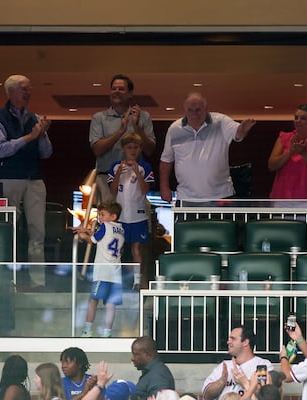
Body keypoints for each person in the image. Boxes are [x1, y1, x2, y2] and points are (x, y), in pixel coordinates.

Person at [0, 74, 53, 289]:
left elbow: (47, 153)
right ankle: (8, 281)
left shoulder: (34, 118)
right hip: (9, 178)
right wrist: (29, 138)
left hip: (34, 178)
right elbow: (0, 149)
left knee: (37, 231)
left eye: (29, 89)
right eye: (24, 89)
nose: (28, 92)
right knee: (9, 231)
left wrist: (42, 134)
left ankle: (37, 281)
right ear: (11, 92)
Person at [159, 92, 256, 202]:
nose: (194, 114)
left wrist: (242, 130)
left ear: (206, 109)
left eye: (198, 110)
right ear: (185, 110)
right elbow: (166, 160)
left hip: (220, 196)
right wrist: (164, 187)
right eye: (190, 110)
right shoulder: (174, 129)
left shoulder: (220, 122)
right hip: (186, 198)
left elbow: (237, 133)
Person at [89, 74, 156, 203]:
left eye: (121, 89)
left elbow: (150, 150)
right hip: (106, 178)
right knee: (109, 220)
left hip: (135, 177)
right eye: (114, 89)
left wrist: (137, 127)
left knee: (134, 219)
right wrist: (120, 131)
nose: (116, 92)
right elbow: (97, 149)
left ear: (130, 93)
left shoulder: (143, 116)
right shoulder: (99, 118)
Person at [108, 133, 155, 289]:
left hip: (138, 215)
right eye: (129, 148)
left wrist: (136, 172)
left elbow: (145, 190)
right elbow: (112, 191)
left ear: (140, 148)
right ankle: (117, 280)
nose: (133, 151)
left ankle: (137, 280)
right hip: (120, 216)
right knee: (118, 249)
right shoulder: (115, 166)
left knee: (137, 248)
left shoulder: (144, 167)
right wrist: (118, 175)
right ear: (123, 149)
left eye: (136, 147)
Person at [73, 201, 125, 338]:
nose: (100, 218)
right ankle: (107, 331)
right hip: (116, 272)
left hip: (102, 271)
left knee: (93, 300)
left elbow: (93, 240)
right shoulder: (121, 229)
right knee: (110, 303)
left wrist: (83, 235)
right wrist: (89, 231)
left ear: (113, 216)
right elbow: (102, 237)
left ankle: (87, 329)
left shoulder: (105, 226)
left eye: (102, 215)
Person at [268, 104, 307, 200]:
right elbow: (271, 165)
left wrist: (304, 153)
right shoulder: (284, 137)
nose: (298, 121)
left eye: (303, 118)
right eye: (296, 118)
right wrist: (290, 152)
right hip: (281, 197)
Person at [202, 325, 273, 400]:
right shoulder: (224, 366)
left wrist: (245, 382)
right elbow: (206, 396)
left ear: (245, 342)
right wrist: (222, 381)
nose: (228, 342)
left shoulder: (262, 365)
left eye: (233, 339)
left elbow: (266, 395)